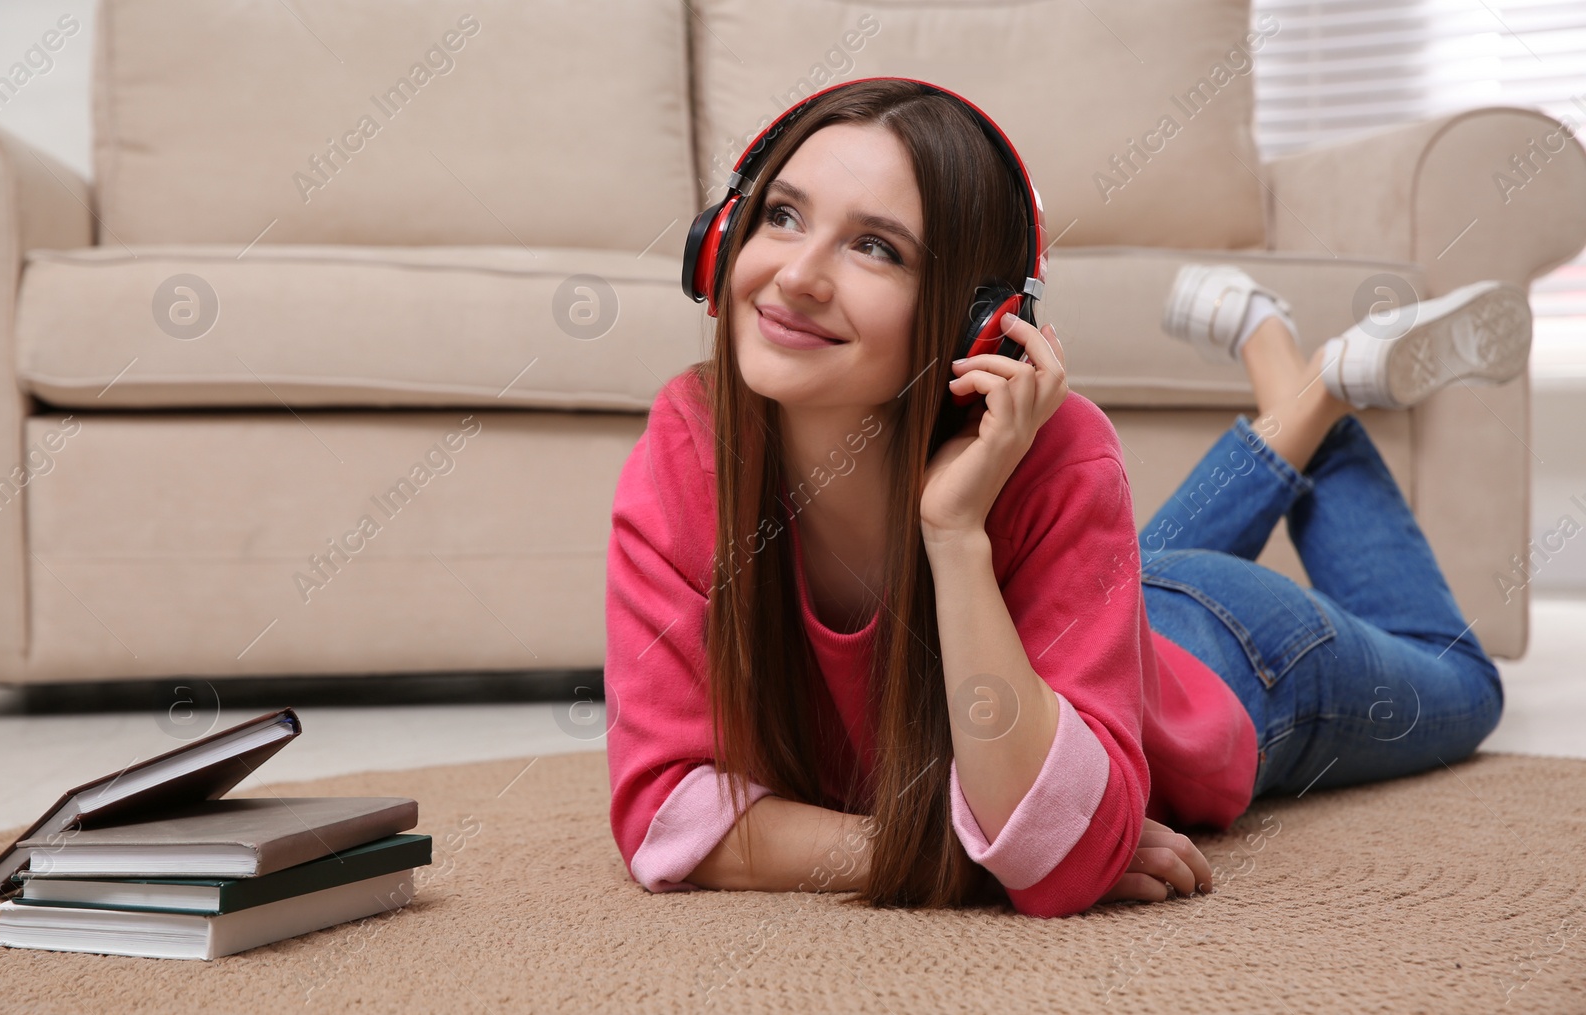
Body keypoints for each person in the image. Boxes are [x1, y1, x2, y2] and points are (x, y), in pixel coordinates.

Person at [603, 78, 1519, 918]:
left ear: (980, 324)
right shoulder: (690, 443)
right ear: (723, 238)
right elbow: (665, 816)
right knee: (1128, 573)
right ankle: (1290, 379)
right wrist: (945, 853)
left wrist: (956, 530)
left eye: (875, 246)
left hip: (1231, 651)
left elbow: (1055, 860)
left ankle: (1321, 397)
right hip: (1092, 616)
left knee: (1466, 689)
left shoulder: (1061, 452)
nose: (798, 275)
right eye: (783, 216)